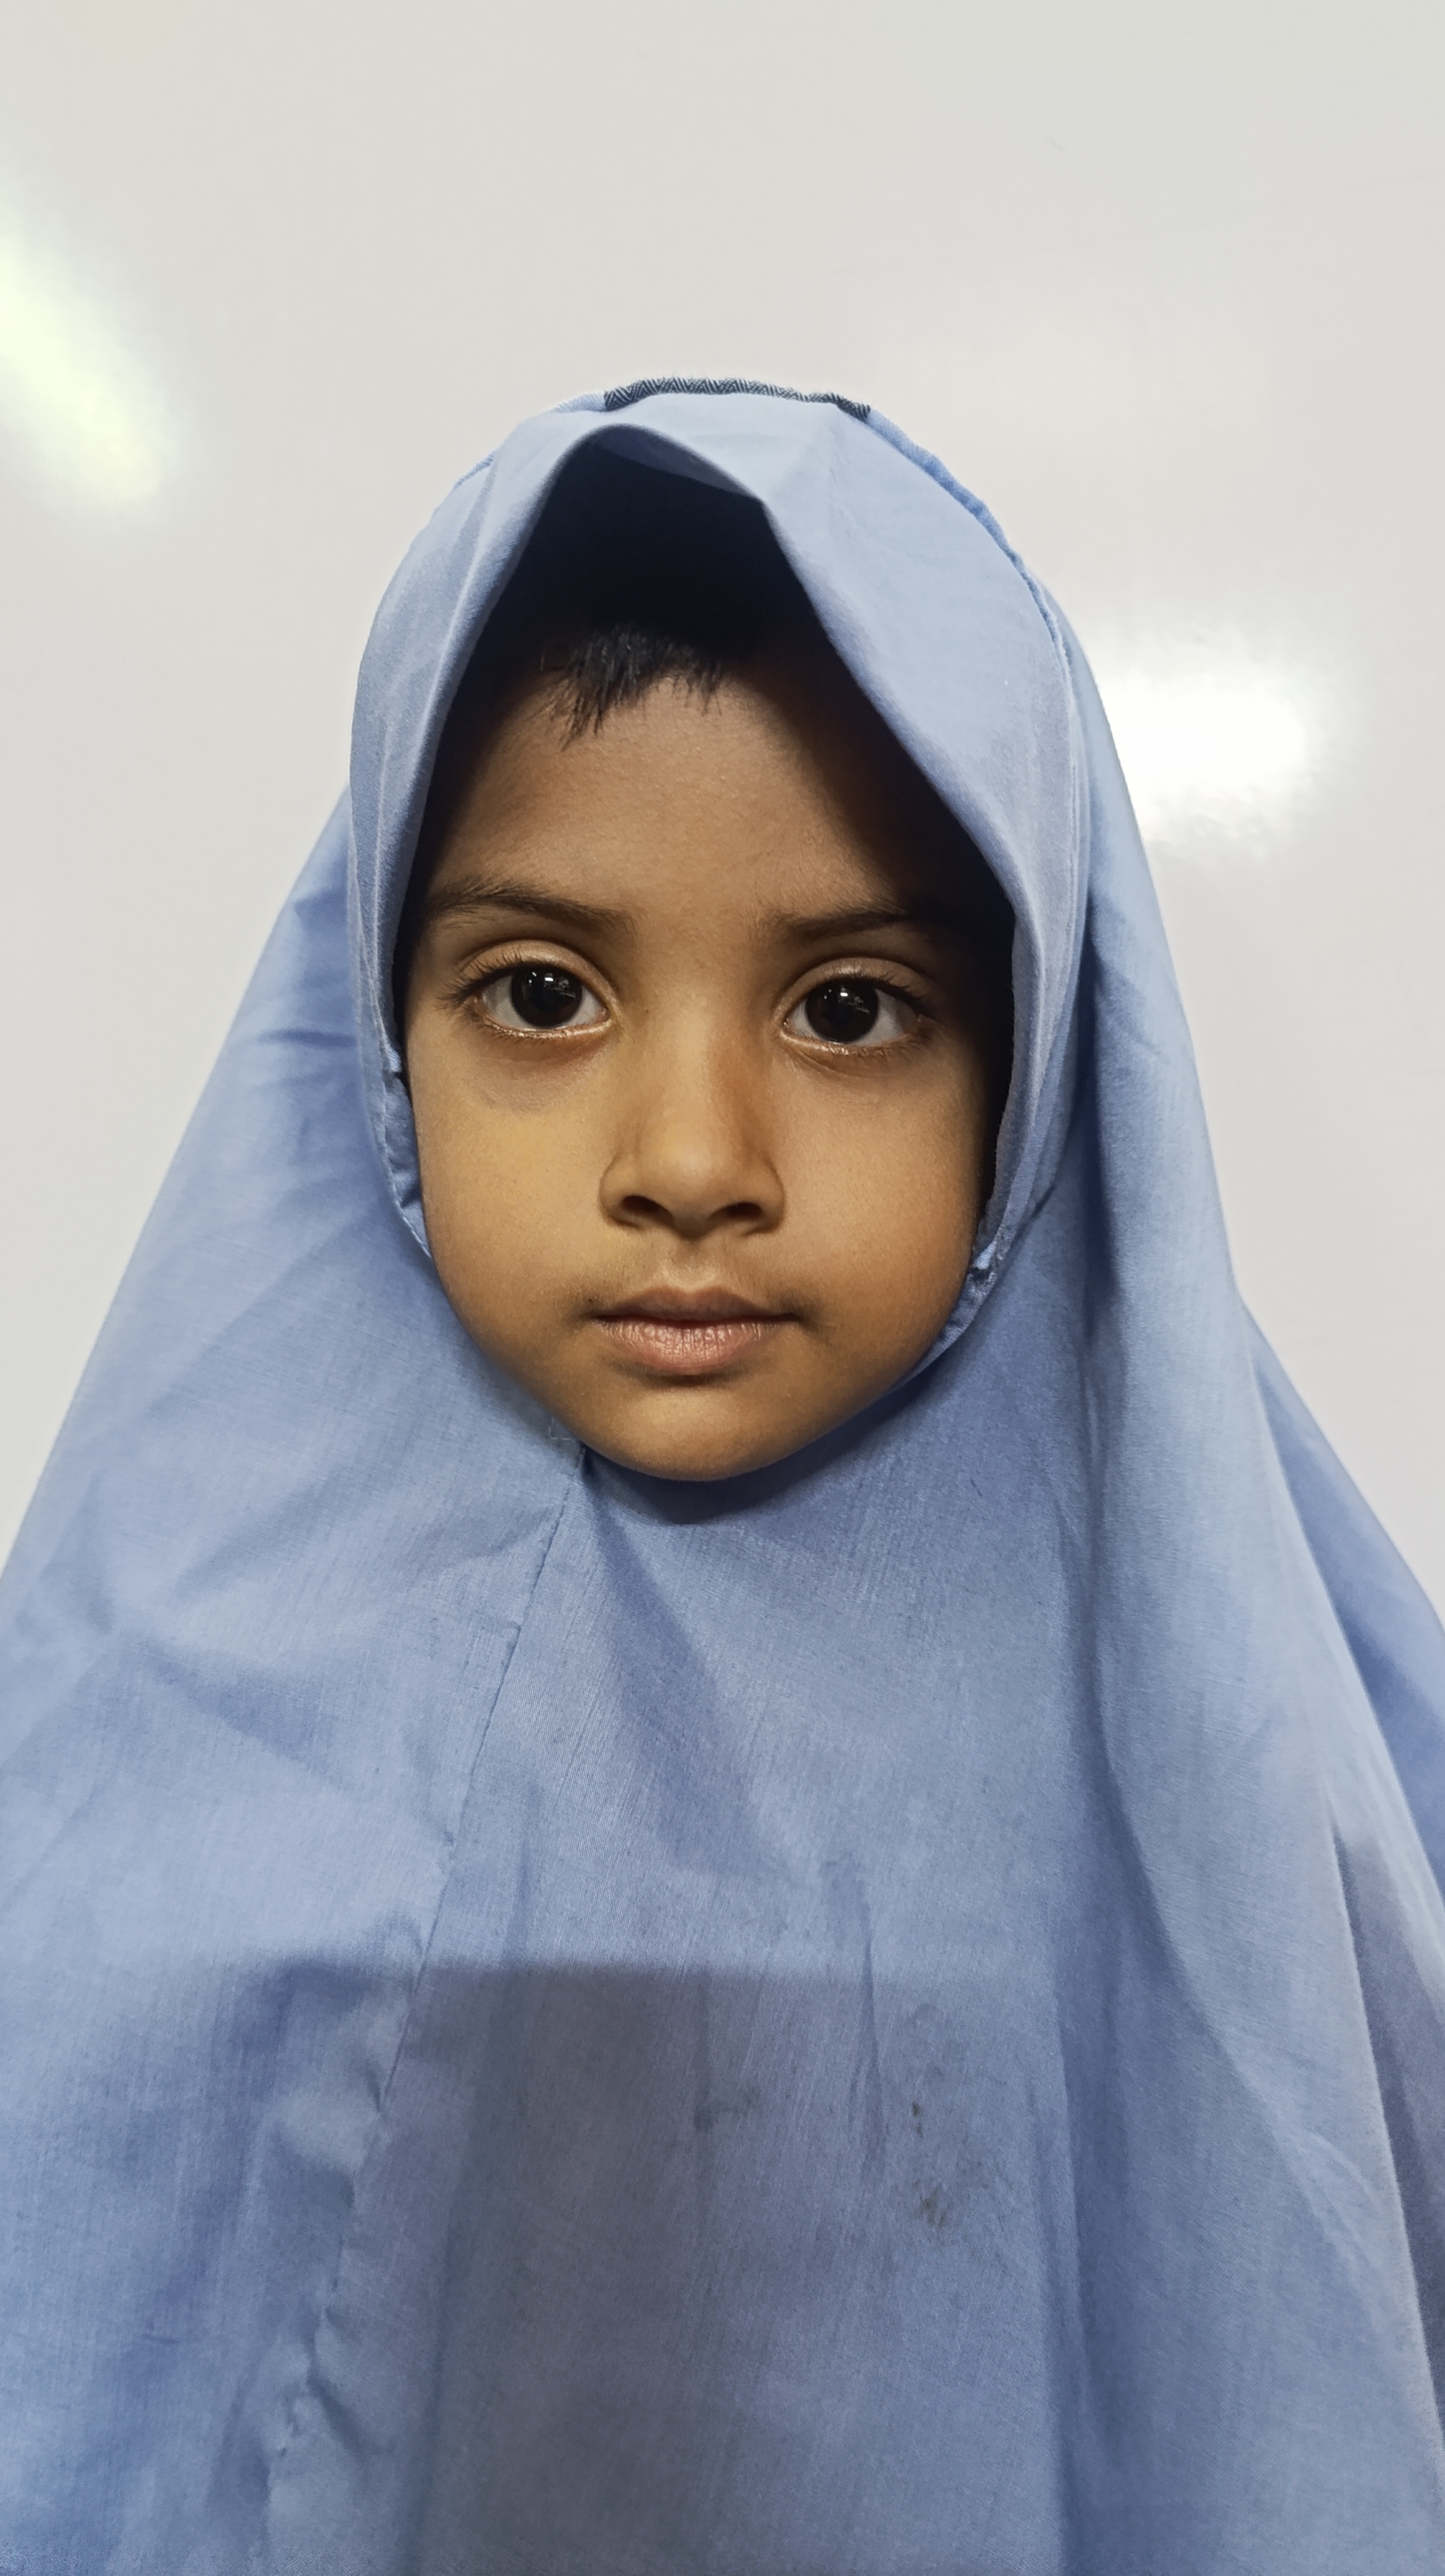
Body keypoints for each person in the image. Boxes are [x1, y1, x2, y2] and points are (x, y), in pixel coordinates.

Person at [1, 379, 1444, 2573]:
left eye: (851, 1011)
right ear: (379, 1028)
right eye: (543, 993)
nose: (689, 1162)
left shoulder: (1247, 1778)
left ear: (1040, 1057)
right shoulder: (148, 1710)